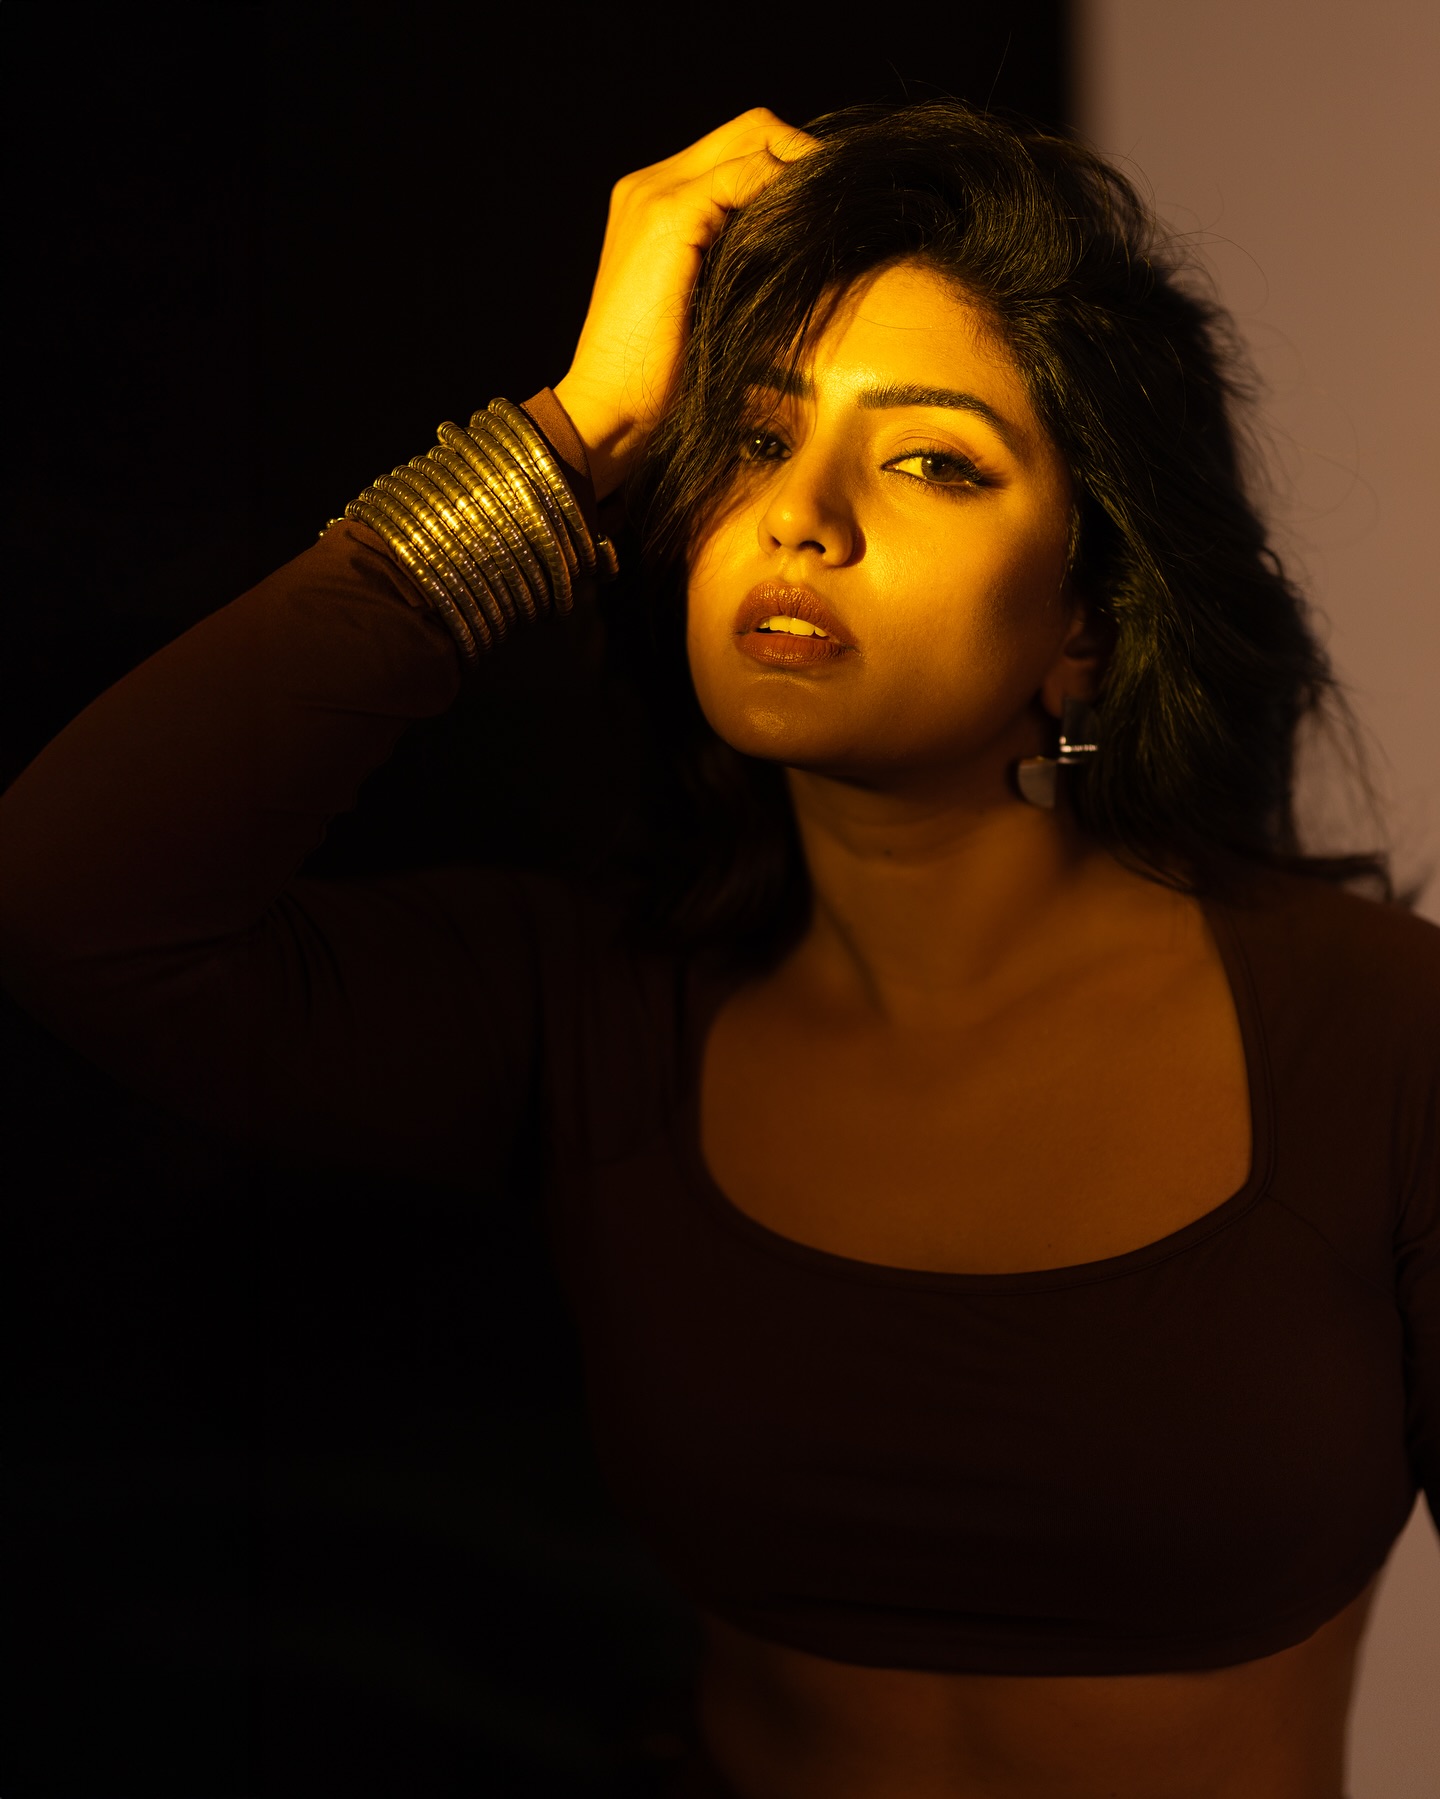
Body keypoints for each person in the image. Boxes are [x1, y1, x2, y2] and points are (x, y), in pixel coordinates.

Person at [1, 101, 1436, 1799]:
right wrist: (571, 436)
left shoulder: (1381, 1038)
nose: (801, 517)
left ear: (1088, 622)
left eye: (931, 460)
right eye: (756, 437)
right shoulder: (592, 1007)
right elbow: (76, 902)